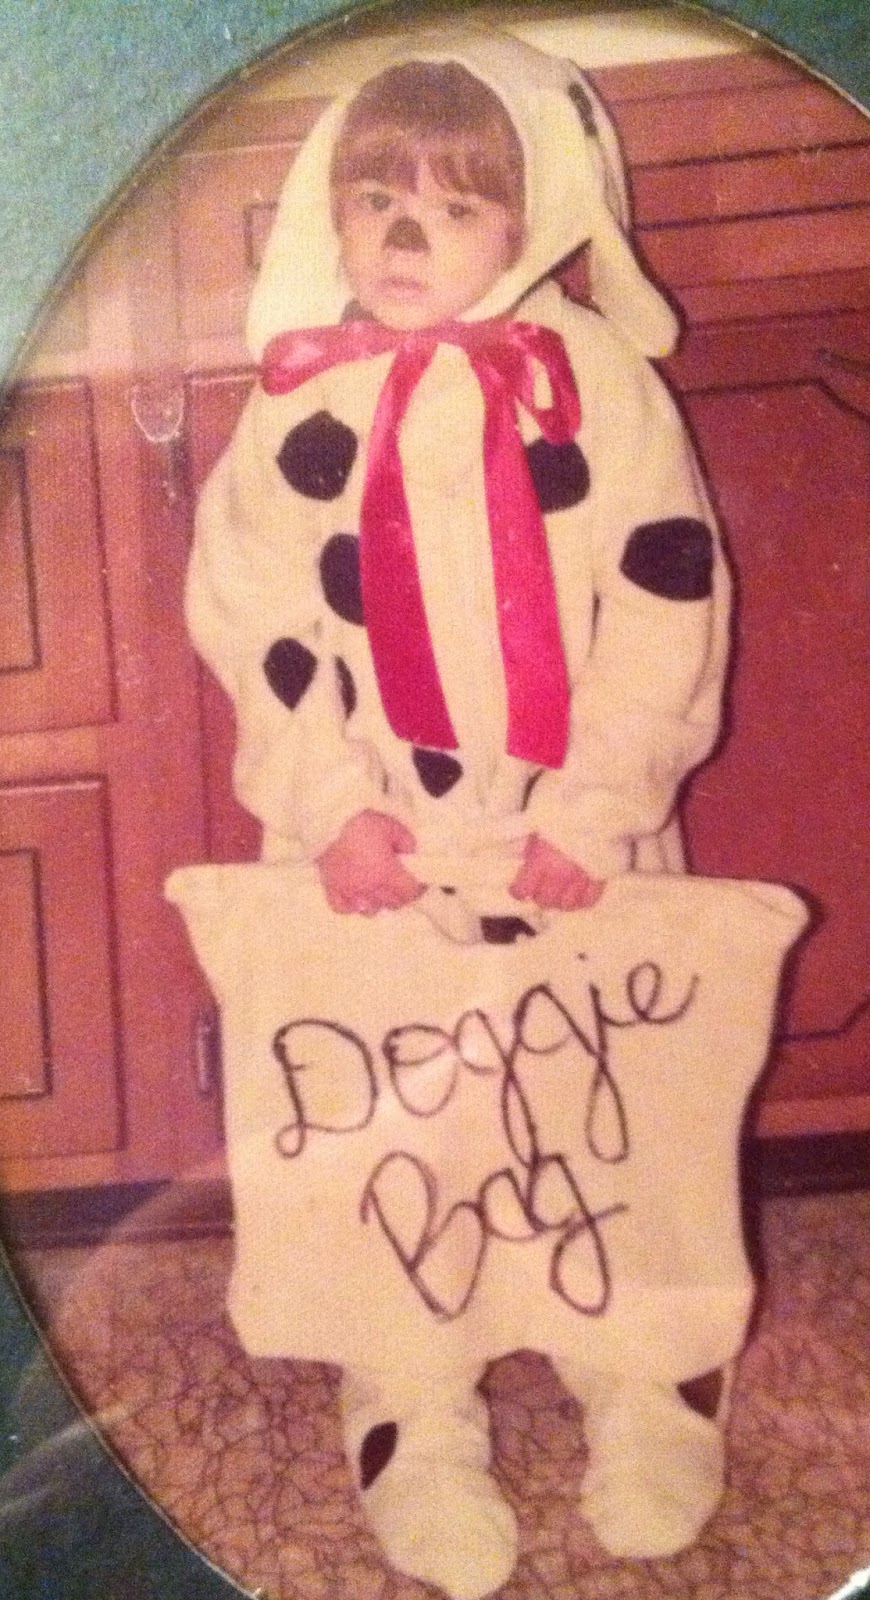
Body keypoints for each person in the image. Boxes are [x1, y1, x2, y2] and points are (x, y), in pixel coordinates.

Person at [187, 26, 732, 1598]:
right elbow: (252, 612)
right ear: (328, 213)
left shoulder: (596, 384)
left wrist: (601, 807)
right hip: (379, 842)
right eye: (376, 199)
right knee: (393, 1123)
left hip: (572, 836)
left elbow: (666, 595)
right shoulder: (297, 404)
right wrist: (329, 806)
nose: (407, 234)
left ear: (535, 213)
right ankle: (410, 1406)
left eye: (456, 203)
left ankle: (645, 1380)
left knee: (605, 1108)